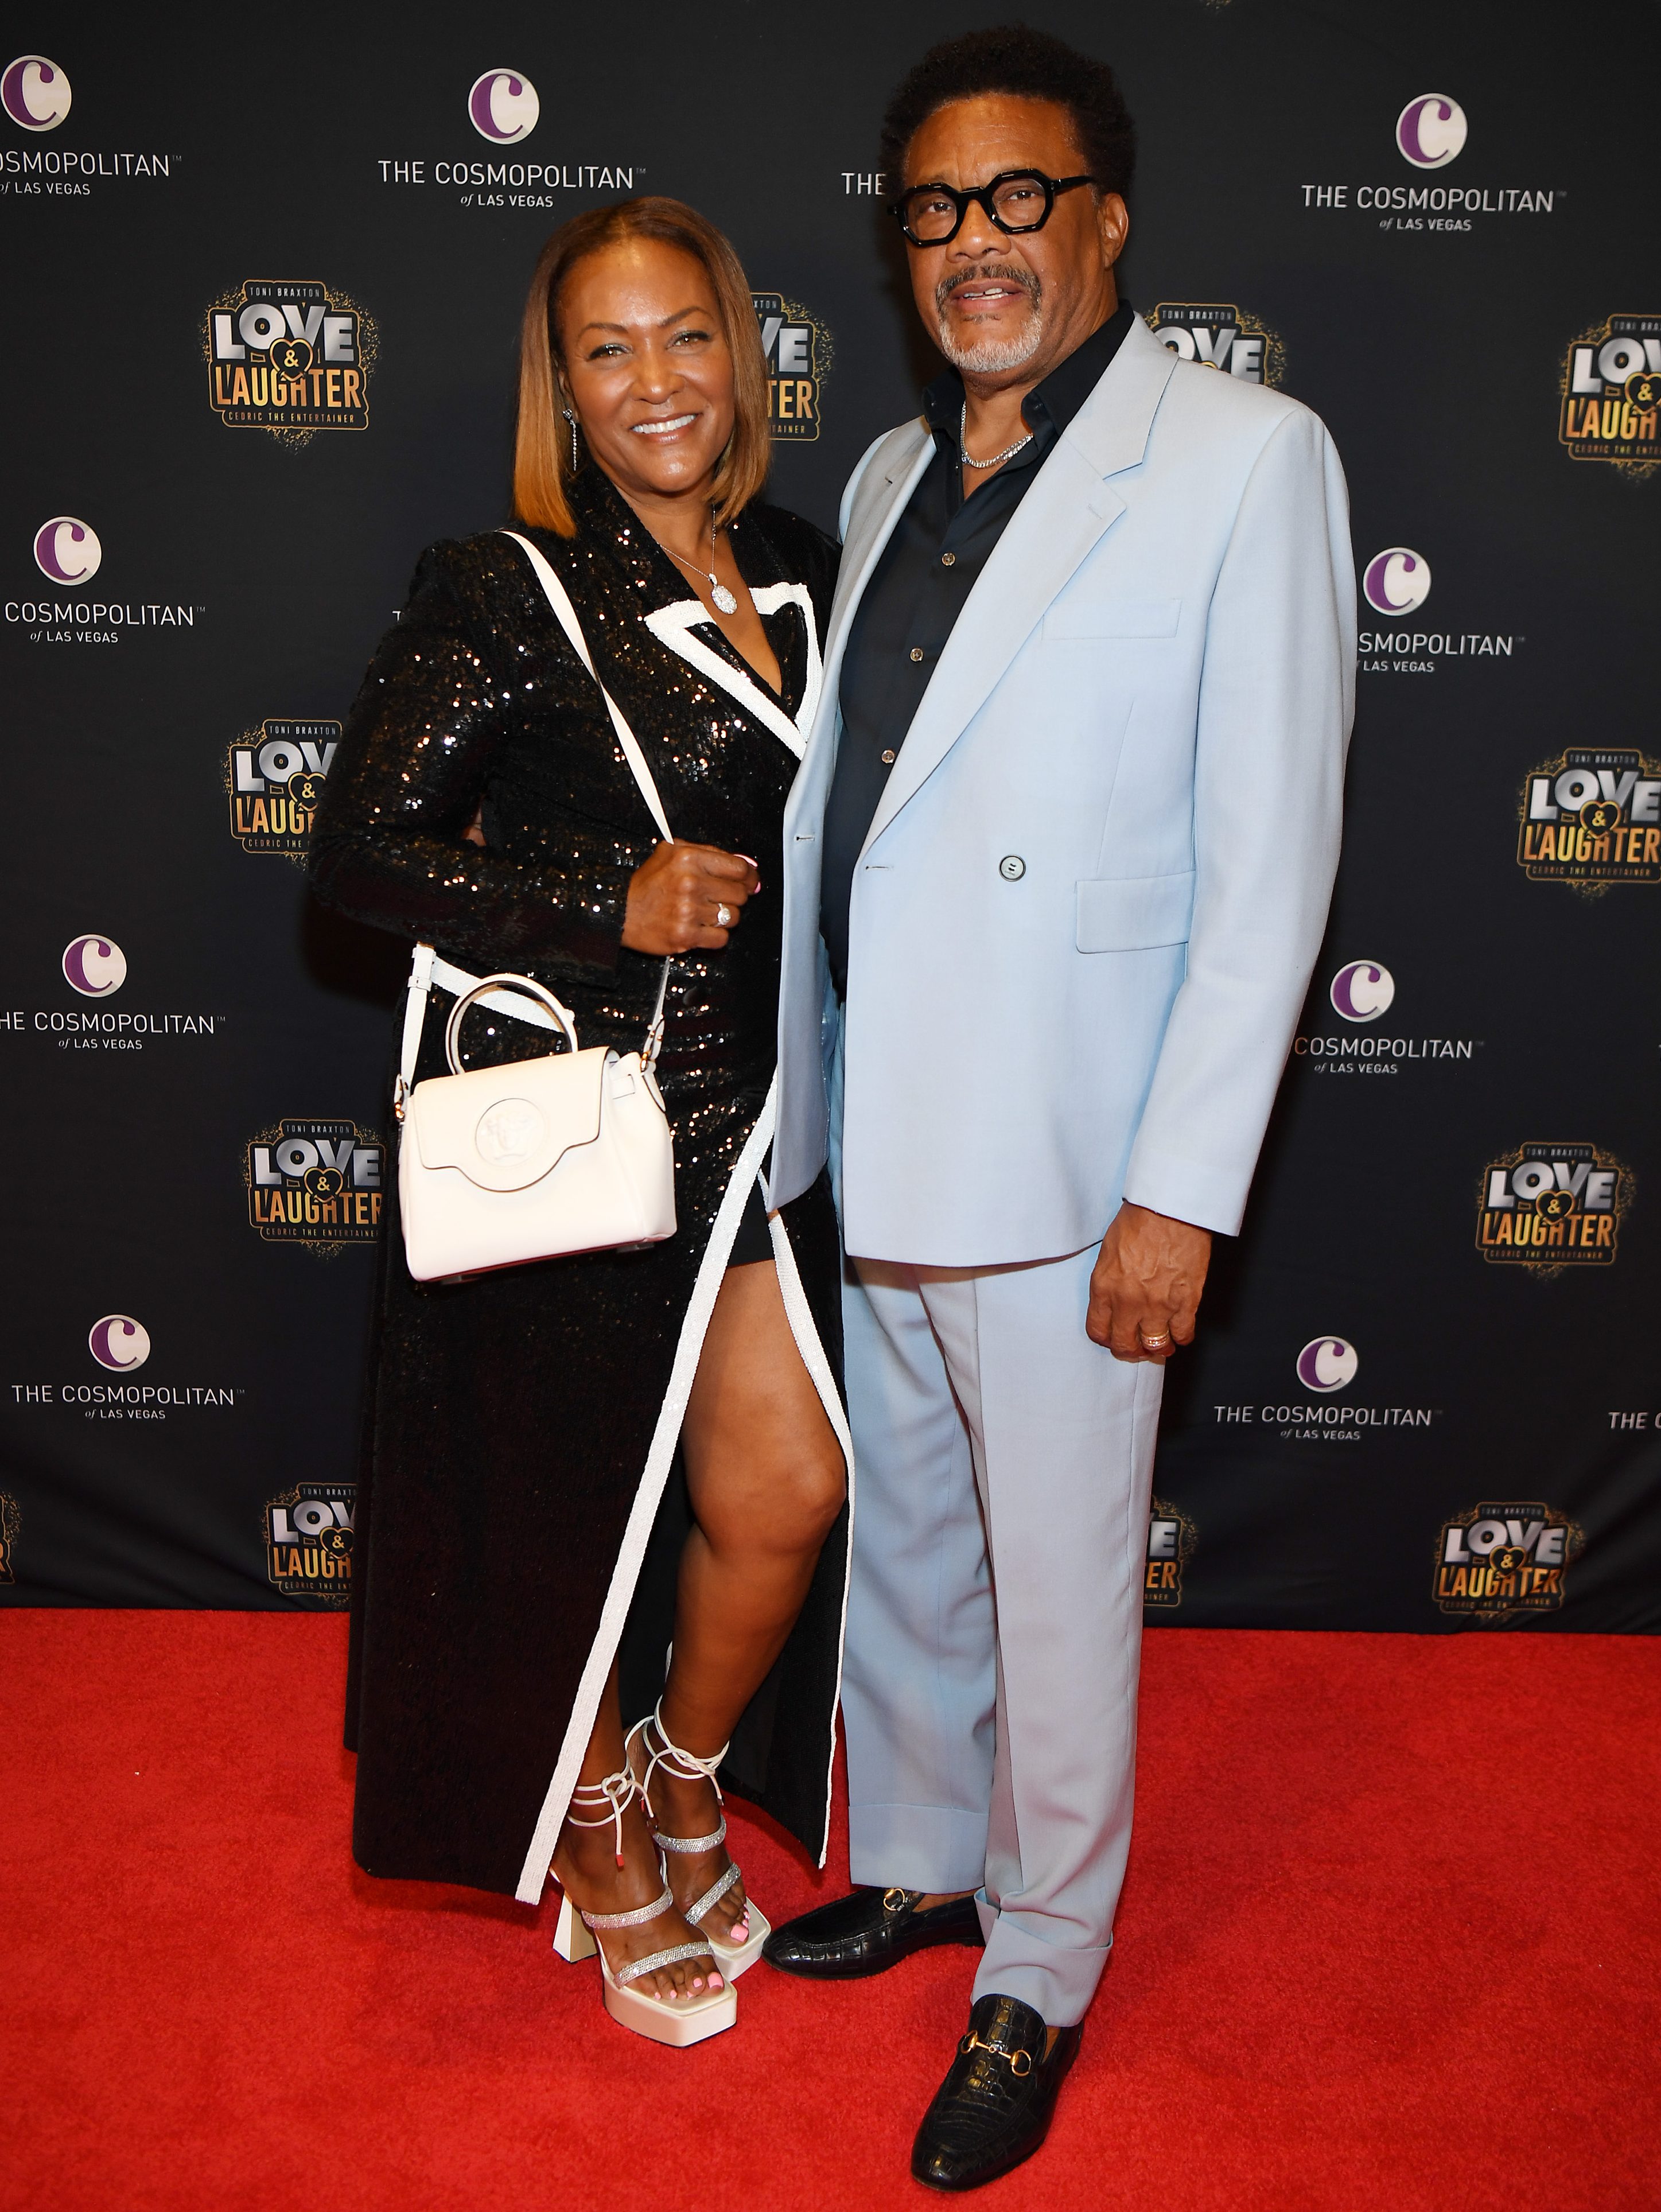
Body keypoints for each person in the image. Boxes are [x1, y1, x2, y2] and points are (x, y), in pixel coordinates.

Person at [761, 25, 1355, 2188]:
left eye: (1019, 200)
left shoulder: (1245, 457)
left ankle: (1044, 1960)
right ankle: (920, 1857)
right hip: (894, 1113)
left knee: (1064, 1576)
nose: (974, 245)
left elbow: (1271, 860)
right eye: (934, 209)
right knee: (909, 1538)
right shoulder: (895, 476)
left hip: (1080, 1146)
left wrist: (1181, 1189)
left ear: (1106, 216)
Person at [309, 197, 850, 2050]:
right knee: (566, 1514)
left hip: (761, 1124)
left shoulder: (807, 563)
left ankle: (684, 1768)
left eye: (684, 335)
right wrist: (592, 887)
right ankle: (599, 1820)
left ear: (745, 346)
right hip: (585, 1134)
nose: (655, 383)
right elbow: (360, 858)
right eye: (605, 351)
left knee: (785, 1492)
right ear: (562, 386)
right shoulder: (505, 584)